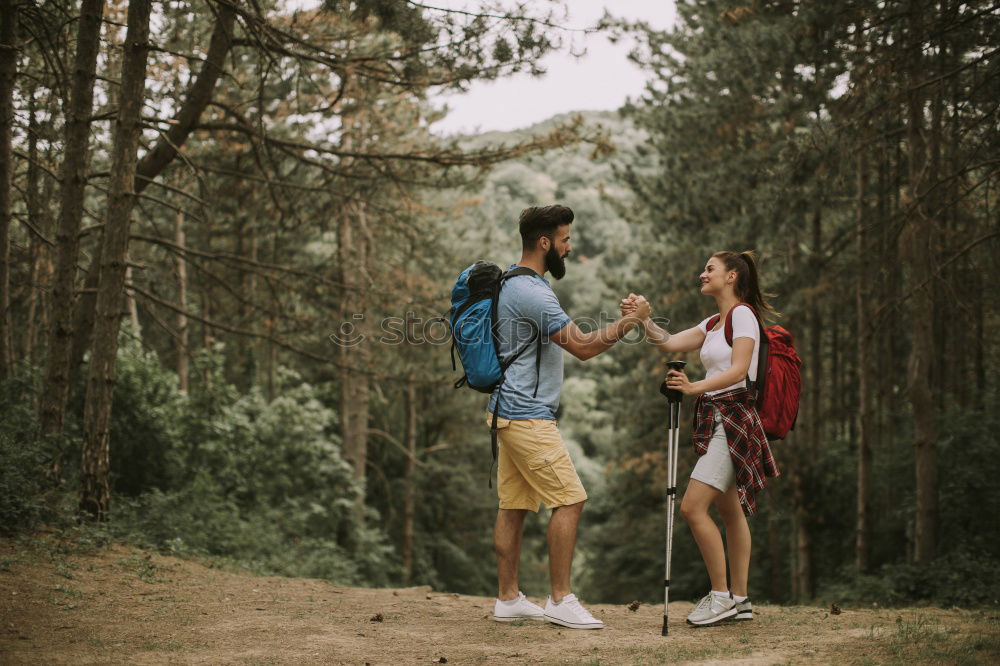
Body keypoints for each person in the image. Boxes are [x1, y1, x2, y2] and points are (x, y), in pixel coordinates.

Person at [489, 205, 649, 630]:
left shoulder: (511, 279)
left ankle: (508, 598)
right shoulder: (534, 293)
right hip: (527, 415)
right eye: (564, 239)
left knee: (514, 503)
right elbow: (583, 346)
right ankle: (560, 599)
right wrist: (631, 323)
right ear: (545, 243)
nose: (569, 246)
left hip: (507, 411)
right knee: (570, 499)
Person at [621, 250, 780, 626]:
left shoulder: (741, 315)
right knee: (729, 511)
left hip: (735, 417)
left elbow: (741, 369)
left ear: (732, 276)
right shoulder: (713, 323)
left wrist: (696, 387)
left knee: (693, 507)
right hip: (720, 419)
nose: (702, 273)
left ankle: (722, 596)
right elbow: (669, 342)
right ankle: (740, 600)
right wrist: (644, 319)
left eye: (710, 268)